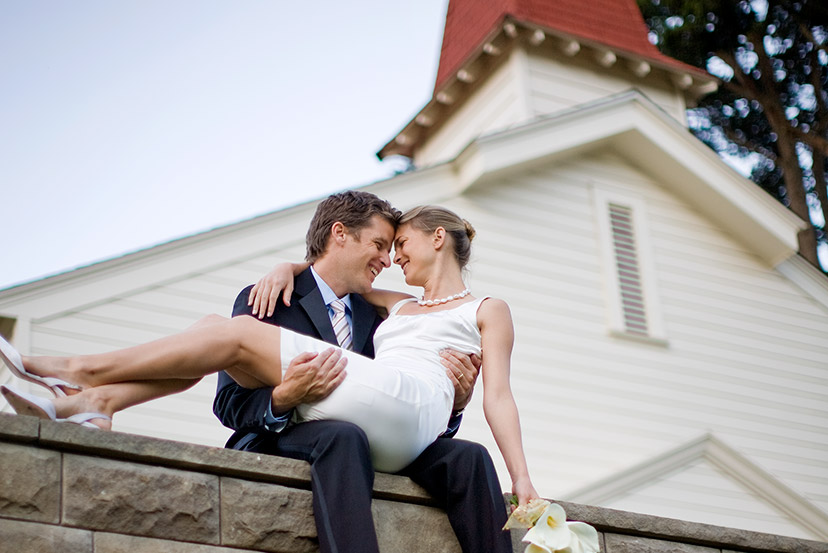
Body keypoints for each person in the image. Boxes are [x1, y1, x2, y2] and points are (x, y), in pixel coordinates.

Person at [0, 193, 536, 553]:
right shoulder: (271, 298)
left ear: (437, 238)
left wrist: (468, 416)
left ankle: (80, 375)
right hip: (299, 430)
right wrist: (282, 397)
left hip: (391, 419)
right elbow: (229, 405)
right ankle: (94, 396)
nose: (389, 259)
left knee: (466, 455)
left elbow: (440, 385)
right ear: (340, 236)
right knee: (224, 333)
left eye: (397, 246)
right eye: (379, 245)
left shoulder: (379, 313)